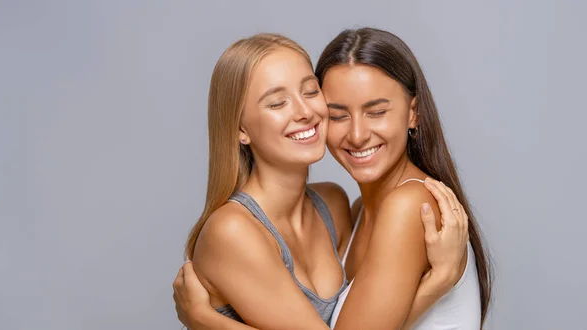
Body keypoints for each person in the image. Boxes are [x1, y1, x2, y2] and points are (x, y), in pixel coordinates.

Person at [173, 31, 476, 330]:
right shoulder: (239, 229)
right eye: (278, 103)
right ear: (240, 128)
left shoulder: (365, 207)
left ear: (414, 114)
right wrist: (436, 284)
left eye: (310, 92)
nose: (305, 112)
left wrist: (204, 320)